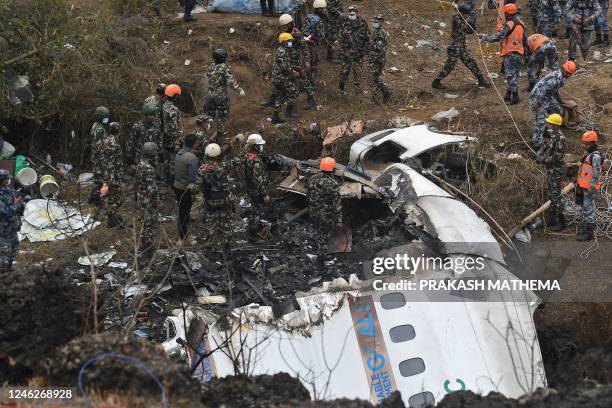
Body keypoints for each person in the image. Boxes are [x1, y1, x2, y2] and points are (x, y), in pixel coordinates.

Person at [432, 4, 490, 90]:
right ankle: (436, 82)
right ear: (462, 13)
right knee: (449, 66)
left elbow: (470, 31)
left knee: (471, 61)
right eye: (467, 14)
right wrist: (471, 21)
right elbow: (466, 29)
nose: (468, 15)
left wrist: (472, 22)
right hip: (454, 47)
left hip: (462, 46)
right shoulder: (456, 18)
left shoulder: (462, 18)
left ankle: (481, 80)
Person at [480, 3, 527, 104]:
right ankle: (508, 94)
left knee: (510, 75)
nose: (504, 15)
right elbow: (525, 39)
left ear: (509, 14)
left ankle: (515, 97)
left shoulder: (508, 25)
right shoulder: (521, 23)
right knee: (514, 75)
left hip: (510, 53)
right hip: (519, 53)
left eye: (505, 14)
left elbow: (497, 37)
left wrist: (484, 37)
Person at [529, 60, 576, 147]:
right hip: (538, 98)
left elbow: (554, 91)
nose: (569, 75)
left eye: (570, 73)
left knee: (557, 110)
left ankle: (549, 129)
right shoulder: (556, 78)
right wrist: (537, 103)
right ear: (564, 69)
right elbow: (543, 89)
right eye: (568, 72)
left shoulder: (560, 78)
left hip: (546, 96)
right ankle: (537, 144)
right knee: (540, 122)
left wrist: (561, 101)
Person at [196, 143, 233, 251]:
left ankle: (211, 249)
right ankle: (227, 248)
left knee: (211, 225)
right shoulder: (225, 166)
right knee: (226, 224)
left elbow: (197, 186)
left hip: (210, 201)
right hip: (224, 200)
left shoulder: (202, 169)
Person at [204, 48, 245, 144]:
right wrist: (239, 90)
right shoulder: (225, 67)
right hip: (220, 96)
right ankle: (220, 136)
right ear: (223, 58)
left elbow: (208, 75)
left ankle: (204, 134)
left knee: (210, 115)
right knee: (222, 116)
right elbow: (230, 82)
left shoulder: (211, 66)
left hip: (209, 95)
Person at [535, 113, 567, 231]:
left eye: (549, 123)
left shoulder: (560, 139)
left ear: (554, 125)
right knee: (551, 195)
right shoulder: (552, 135)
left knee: (556, 196)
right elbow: (547, 147)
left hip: (556, 171)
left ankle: (562, 221)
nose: (547, 124)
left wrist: (542, 159)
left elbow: (556, 157)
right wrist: (541, 151)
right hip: (550, 170)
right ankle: (552, 218)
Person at [307, 157, 342, 263]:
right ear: (332, 169)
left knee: (318, 231)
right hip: (325, 214)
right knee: (324, 234)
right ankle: (321, 258)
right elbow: (337, 203)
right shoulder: (332, 183)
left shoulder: (312, 178)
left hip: (313, 211)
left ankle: (317, 249)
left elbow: (308, 195)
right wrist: (339, 220)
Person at [240, 134, 270, 240]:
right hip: (256, 191)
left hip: (249, 188)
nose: (262, 147)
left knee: (252, 211)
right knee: (256, 212)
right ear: (256, 146)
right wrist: (265, 194)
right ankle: (253, 235)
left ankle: (252, 230)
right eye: (260, 145)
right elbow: (258, 180)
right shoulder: (256, 161)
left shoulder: (246, 155)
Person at [575, 130, 602, 241]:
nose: (584, 146)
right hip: (583, 186)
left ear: (592, 143)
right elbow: (583, 168)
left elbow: (596, 172)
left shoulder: (595, 156)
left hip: (589, 187)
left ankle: (589, 233)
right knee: (585, 207)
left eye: (586, 144)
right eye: (584, 143)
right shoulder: (588, 154)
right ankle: (586, 228)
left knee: (588, 207)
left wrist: (592, 185)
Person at [339, 5, 370, 95]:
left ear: (357, 12)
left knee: (357, 73)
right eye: (350, 12)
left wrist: (364, 52)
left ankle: (358, 92)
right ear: (348, 12)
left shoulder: (363, 23)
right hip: (346, 54)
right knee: (344, 73)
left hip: (358, 54)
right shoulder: (344, 23)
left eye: (354, 12)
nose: (352, 14)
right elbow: (340, 38)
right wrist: (342, 51)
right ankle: (341, 90)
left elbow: (367, 40)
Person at [173, 133, 199, 241]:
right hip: (185, 189)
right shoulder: (191, 157)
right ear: (193, 145)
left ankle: (183, 233)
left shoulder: (179, 153)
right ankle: (183, 236)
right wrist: (194, 192)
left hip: (177, 186)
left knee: (181, 210)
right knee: (185, 212)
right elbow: (192, 178)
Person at [136, 142, 160, 259]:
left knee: (145, 222)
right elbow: (151, 188)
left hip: (141, 197)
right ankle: (147, 248)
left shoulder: (140, 164)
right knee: (149, 223)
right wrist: (156, 201)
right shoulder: (149, 168)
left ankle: (145, 245)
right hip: (148, 200)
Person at [271, 33, 300, 124]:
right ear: (283, 42)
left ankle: (275, 117)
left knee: (279, 97)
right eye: (289, 41)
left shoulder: (281, 50)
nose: (290, 42)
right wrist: (294, 73)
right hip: (281, 78)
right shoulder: (282, 51)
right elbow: (285, 67)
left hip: (277, 77)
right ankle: (289, 112)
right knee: (293, 90)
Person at [101, 122, 125, 228]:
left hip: (108, 173)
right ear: (118, 131)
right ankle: (115, 220)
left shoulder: (106, 141)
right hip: (113, 175)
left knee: (112, 197)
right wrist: (112, 178)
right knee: (116, 197)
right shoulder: (113, 143)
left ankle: (112, 219)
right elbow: (111, 162)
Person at [0, 169, 24, 273]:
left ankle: (8, 272)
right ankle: (3, 276)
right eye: (6, 179)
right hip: (3, 231)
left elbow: (19, 209)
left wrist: (20, 203)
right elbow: (5, 212)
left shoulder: (9, 189)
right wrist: (15, 204)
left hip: (13, 228)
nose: (9, 180)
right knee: (4, 255)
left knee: (13, 250)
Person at [88, 106, 110, 207]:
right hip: (99, 158)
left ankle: (92, 198)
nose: (107, 119)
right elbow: (99, 146)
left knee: (97, 179)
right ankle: (96, 200)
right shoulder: (100, 129)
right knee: (99, 180)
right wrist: (104, 161)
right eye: (104, 117)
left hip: (96, 157)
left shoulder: (95, 125)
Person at [162, 84, 184, 181]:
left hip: (166, 138)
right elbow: (174, 127)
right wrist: (178, 141)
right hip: (173, 140)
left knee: (167, 160)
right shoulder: (173, 109)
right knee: (173, 161)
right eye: (178, 95)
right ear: (174, 96)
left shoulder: (164, 105)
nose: (179, 97)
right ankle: (172, 180)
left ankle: (166, 178)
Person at [369, 15, 392, 103]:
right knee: (374, 78)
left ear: (382, 22)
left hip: (378, 59)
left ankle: (383, 94)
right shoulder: (375, 31)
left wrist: (369, 42)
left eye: (377, 21)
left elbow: (379, 48)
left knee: (374, 77)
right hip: (374, 58)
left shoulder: (382, 33)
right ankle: (382, 94)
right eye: (374, 20)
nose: (375, 22)